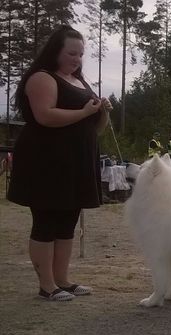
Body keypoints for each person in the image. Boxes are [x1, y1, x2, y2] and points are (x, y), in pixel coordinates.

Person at [7, 25, 112, 301]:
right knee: (46, 221)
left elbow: (94, 126)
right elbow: (45, 116)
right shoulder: (42, 78)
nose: (77, 59)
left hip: (76, 163)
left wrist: (100, 112)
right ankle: (47, 285)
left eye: (80, 54)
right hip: (46, 162)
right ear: (56, 51)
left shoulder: (79, 81)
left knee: (67, 222)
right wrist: (83, 111)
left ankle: (63, 280)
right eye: (72, 53)